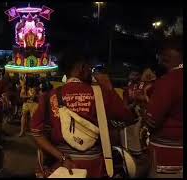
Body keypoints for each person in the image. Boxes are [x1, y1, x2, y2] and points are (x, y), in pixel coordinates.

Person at [30, 48, 136, 178]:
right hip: (95, 168)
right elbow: (127, 118)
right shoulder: (100, 93)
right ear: (81, 67)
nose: (90, 71)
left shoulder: (50, 96)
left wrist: (62, 157)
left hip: (61, 168)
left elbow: (36, 132)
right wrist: (109, 88)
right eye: (89, 67)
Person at [142, 37, 183, 177]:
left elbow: (152, 119)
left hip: (167, 154)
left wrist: (144, 111)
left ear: (167, 56)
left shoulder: (167, 81)